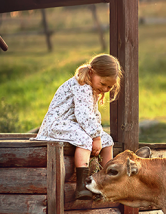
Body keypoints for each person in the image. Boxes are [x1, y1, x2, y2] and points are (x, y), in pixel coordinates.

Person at [32, 54, 122, 200]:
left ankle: (107, 183)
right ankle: (81, 186)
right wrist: (95, 136)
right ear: (92, 72)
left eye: (109, 87)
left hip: (74, 125)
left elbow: (93, 116)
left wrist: (99, 135)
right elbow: (84, 116)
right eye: (103, 83)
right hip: (58, 124)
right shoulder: (82, 86)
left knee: (108, 141)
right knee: (85, 139)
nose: (105, 89)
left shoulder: (92, 87)